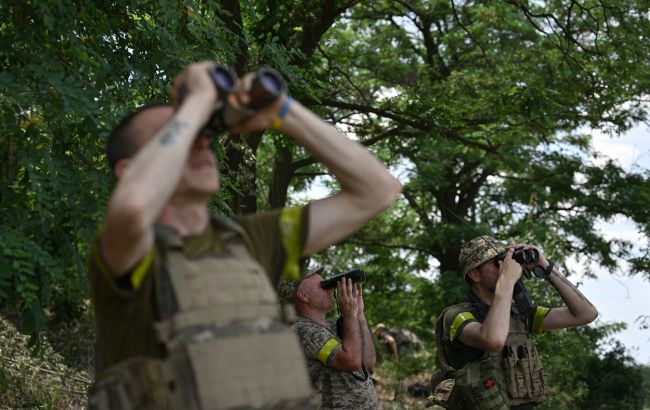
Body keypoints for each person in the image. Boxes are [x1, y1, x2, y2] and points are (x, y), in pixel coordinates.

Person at [87, 61, 402, 409]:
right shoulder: (129, 249)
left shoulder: (248, 241)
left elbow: (377, 190)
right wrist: (198, 100)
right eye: (175, 134)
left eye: (203, 133)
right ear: (129, 171)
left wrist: (281, 110)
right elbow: (133, 206)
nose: (198, 139)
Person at [433, 236, 598, 409]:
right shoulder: (457, 316)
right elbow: (493, 340)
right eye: (496, 262)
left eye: (504, 260)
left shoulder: (520, 315)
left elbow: (586, 314)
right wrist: (507, 281)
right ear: (475, 274)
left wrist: (546, 268)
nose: (504, 266)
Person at [278, 267, 378, 410]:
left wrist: (359, 314)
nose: (331, 289)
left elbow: (368, 361)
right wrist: (350, 315)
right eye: (323, 286)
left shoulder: (330, 327)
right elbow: (351, 361)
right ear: (303, 295)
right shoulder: (301, 330)